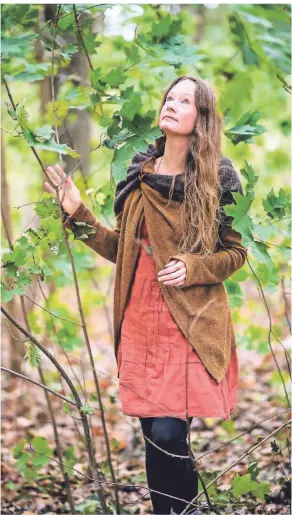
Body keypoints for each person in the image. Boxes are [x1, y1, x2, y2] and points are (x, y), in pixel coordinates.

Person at [45, 75, 248, 514]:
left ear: (203, 117)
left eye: (185, 100)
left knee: (171, 435)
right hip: (139, 318)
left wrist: (195, 267)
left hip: (190, 320)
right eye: (169, 97)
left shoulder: (218, 178)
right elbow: (123, 249)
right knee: (153, 437)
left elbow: (236, 252)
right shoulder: (140, 174)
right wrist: (76, 212)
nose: (172, 104)